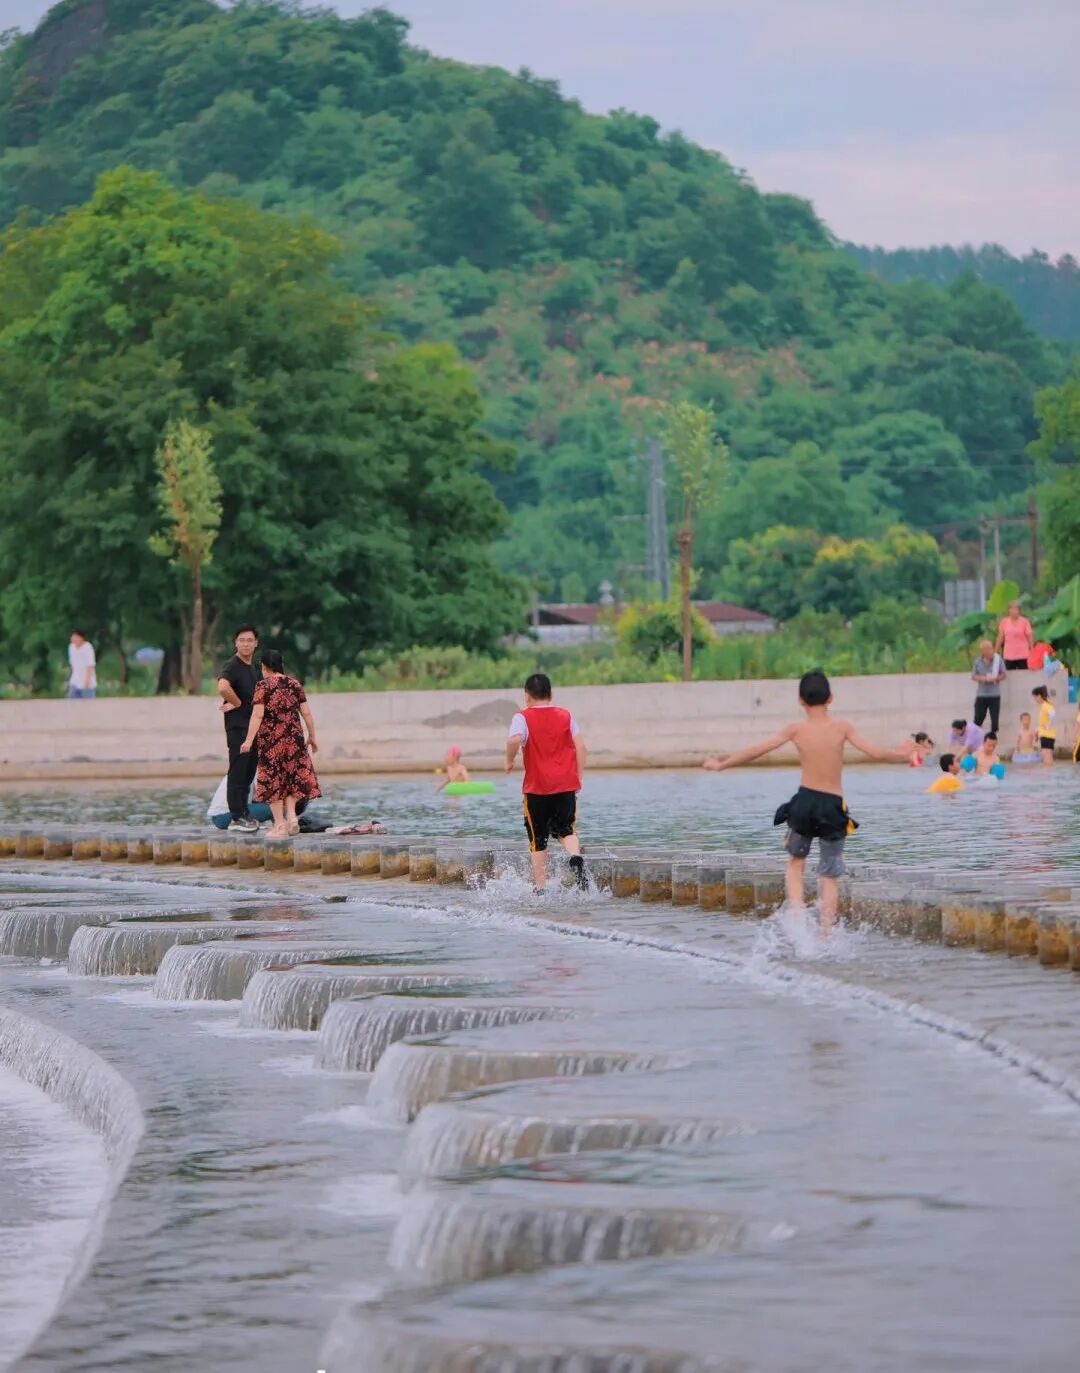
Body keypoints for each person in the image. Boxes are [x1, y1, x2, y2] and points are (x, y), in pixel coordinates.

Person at [702, 670, 910, 935]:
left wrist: (722, 765)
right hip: (832, 805)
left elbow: (758, 749)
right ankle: (825, 935)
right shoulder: (842, 727)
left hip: (805, 801)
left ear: (800, 701)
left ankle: (797, 910)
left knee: (795, 862)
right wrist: (902, 755)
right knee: (829, 876)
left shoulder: (796, 729)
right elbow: (876, 753)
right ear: (831, 698)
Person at [505, 673, 588, 894]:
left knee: (538, 839)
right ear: (550, 694)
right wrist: (577, 778)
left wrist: (509, 759)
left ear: (527, 696)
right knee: (567, 830)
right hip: (566, 786)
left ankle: (540, 889)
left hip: (537, 789)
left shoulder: (522, 718)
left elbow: (514, 739)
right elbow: (581, 747)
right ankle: (575, 856)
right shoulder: (566, 715)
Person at [238, 649, 321, 837]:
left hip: (271, 741)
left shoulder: (263, 686)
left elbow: (258, 714)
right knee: (292, 778)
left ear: (265, 667)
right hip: (294, 739)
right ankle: (292, 817)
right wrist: (312, 736)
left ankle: (279, 825)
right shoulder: (294, 684)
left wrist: (248, 740)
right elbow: (306, 712)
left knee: (272, 780)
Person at [217, 625, 261, 832]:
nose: (246, 643)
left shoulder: (252, 668)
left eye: (249, 640)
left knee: (249, 771)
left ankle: (244, 812)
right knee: (238, 770)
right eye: (242, 640)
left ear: (256, 643)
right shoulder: (232, 665)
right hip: (238, 728)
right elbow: (223, 686)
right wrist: (236, 703)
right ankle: (235, 816)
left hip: (253, 729)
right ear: (236, 643)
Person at [971, 639, 1005, 735]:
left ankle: (993, 738)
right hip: (981, 695)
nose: (990, 650)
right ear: (983, 651)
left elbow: (1003, 674)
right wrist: (983, 678)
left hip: (994, 695)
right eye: (987, 649)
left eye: (991, 648)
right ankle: (976, 738)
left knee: (994, 720)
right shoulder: (978, 661)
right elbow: (973, 676)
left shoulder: (998, 660)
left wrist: (996, 678)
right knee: (978, 718)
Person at [995, 601, 1033, 670]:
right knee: (1009, 676)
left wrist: (1032, 650)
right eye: (1012, 609)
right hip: (1009, 655)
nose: (1014, 611)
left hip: (1023, 654)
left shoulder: (1025, 621)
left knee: (1024, 675)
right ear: (1009, 610)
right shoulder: (1004, 622)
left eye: (1016, 609)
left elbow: (1029, 636)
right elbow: (1000, 637)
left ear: (1019, 611)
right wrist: (995, 651)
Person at [67, 630, 97, 699]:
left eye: (75, 637)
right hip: (74, 681)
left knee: (88, 706)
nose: (73, 639)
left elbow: (90, 665)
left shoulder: (87, 647)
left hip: (87, 683)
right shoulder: (71, 647)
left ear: (81, 638)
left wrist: (87, 680)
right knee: (72, 704)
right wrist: (71, 678)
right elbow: (72, 664)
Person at [1032, 684, 1056, 767]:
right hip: (1046, 735)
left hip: (1047, 736)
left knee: (1047, 758)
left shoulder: (1046, 705)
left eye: (1034, 697)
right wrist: (1037, 731)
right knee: (1046, 758)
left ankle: (1048, 774)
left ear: (1039, 696)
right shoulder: (1045, 705)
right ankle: (1048, 775)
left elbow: (1053, 715)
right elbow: (1043, 723)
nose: (1035, 700)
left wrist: (1048, 727)